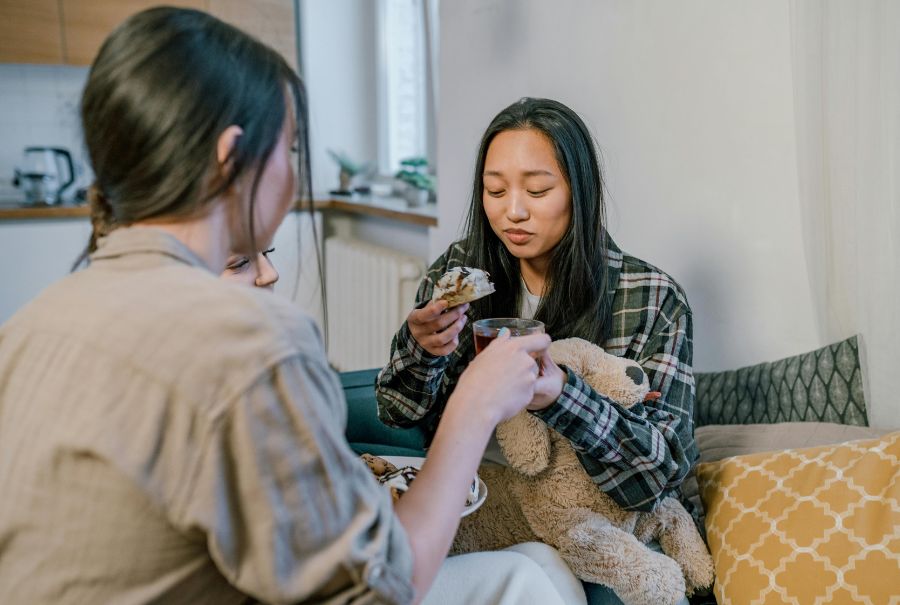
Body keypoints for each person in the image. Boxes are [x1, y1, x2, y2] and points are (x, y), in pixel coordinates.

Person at [0, 9, 575, 605]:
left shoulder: (28, 327)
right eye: (292, 148)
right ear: (232, 159)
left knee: (534, 566)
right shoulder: (249, 342)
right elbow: (377, 590)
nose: (514, 210)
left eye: (536, 190)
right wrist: (475, 405)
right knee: (527, 581)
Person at [376, 97, 698, 605]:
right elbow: (396, 410)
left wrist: (561, 396)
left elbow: (659, 474)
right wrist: (421, 350)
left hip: (585, 514)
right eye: (495, 190)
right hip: (477, 498)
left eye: (538, 189)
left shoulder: (651, 298)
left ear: (580, 190)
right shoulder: (461, 269)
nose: (513, 211)